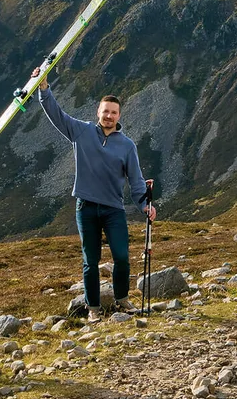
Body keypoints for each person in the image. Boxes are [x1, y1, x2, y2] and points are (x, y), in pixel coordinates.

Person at [34, 69, 157, 316]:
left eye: (113, 112)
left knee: (121, 256)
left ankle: (122, 299)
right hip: (86, 207)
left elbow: (135, 181)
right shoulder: (81, 131)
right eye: (105, 111)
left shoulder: (127, 145)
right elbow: (57, 116)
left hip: (113, 209)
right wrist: (43, 88)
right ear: (98, 112)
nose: (109, 116)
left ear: (119, 115)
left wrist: (146, 205)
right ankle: (93, 309)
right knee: (90, 261)